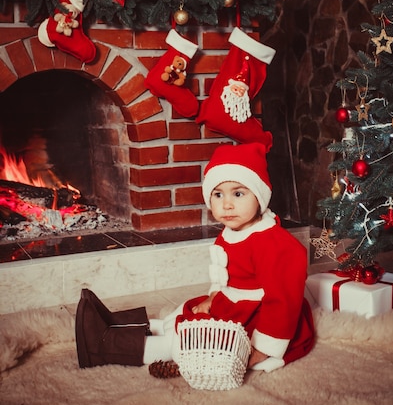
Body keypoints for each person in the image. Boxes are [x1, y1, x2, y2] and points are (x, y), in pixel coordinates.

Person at [75, 142, 315, 374]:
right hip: (235, 303)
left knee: (192, 342)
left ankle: (110, 347)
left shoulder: (275, 244)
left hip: (262, 317)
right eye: (218, 195)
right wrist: (213, 297)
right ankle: (120, 325)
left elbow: (284, 301)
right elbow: (225, 274)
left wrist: (262, 349)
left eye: (239, 193)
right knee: (181, 314)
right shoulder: (234, 229)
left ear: (260, 198)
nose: (227, 204)